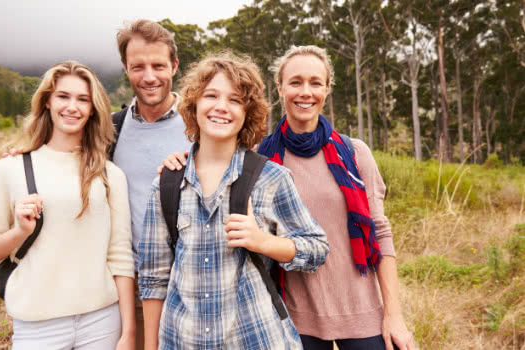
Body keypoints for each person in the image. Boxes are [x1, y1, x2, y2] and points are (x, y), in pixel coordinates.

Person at [162, 45, 415, 350]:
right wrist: (182, 160)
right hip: (295, 316)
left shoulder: (354, 153)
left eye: (315, 83)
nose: (305, 92)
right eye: (295, 82)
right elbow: (211, 160)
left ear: (327, 89)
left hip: (360, 312)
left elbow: (380, 232)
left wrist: (394, 314)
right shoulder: (258, 161)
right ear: (279, 88)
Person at [138, 51, 329, 350]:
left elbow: (317, 247)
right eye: (211, 95)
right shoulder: (166, 183)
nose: (221, 107)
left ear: (247, 113)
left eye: (235, 100)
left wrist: (263, 241)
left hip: (254, 338)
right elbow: (153, 277)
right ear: (194, 105)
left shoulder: (271, 178)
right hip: (183, 340)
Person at [0, 61, 135, 349]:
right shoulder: (11, 168)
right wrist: (19, 232)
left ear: (93, 109)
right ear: (47, 101)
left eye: (83, 99)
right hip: (38, 325)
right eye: (63, 96)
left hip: (101, 321)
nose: (72, 107)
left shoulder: (110, 175)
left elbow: (120, 256)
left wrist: (129, 333)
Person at [113, 19, 193, 349]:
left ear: (174, 66)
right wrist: (22, 155)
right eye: (138, 67)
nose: (149, 77)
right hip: (127, 291)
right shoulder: (110, 128)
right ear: (125, 68)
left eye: (158, 65)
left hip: (190, 289)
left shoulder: (200, 121)